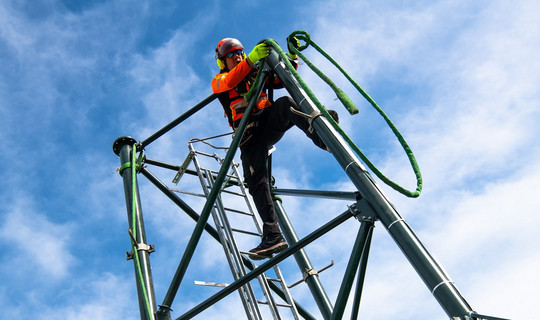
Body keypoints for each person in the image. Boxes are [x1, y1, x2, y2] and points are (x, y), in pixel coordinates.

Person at [211, 37, 338, 259]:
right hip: (248, 135)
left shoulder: (254, 74)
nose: (237, 56)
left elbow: (281, 78)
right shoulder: (221, 80)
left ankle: (322, 137)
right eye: (231, 55)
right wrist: (251, 60)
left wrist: (292, 57)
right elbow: (230, 82)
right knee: (256, 182)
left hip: (266, 122)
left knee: (284, 104)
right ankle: (272, 236)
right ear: (223, 61)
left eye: (239, 52)